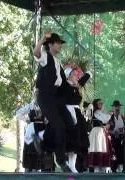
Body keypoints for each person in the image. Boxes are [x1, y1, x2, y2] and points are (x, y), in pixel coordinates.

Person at [33, 32, 71, 172]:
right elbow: (36, 52)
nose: (60, 45)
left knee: (65, 123)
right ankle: (61, 161)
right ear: (50, 44)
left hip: (54, 96)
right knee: (60, 125)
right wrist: (43, 38)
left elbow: (60, 80)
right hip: (45, 95)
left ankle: (42, 137)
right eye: (58, 42)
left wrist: (70, 70)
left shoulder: (56, 60)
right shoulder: (45, 55)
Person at [60, 67, 92, 173]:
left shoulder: (76, 85)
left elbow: (84, 79)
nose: (76, 76)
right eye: (74, 74)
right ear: (68, 76)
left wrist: (88, 72)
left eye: (76, 75)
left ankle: (72, 166)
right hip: (67, 113)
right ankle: (66, 164)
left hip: (77, 113)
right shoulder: (64, 85)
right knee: (68, 139)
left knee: (77, 141)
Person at [88, 99, 113, 173]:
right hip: (97, 132)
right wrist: (109, 114)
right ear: (96, 104)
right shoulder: (96, 112)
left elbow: (105, 121)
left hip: (101, 132)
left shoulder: (100, 112)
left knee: (102, 148)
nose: (101, 105)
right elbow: (104, 119)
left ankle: (101, 166)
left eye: (102, 103)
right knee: (98, 148)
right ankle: (97, 167)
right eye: (100, 103)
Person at [108, 100, 125, 173]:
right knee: (114, 153)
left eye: (118, 107)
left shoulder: (123, 117)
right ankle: (114, 168)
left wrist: (124, 130)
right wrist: (113, 132)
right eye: (115, 107)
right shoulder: (109, 118)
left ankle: (124, 168)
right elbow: (107, 130)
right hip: (114, 138)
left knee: (124, 153)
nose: (117, 108)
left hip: (123, 138)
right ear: (113, 108)